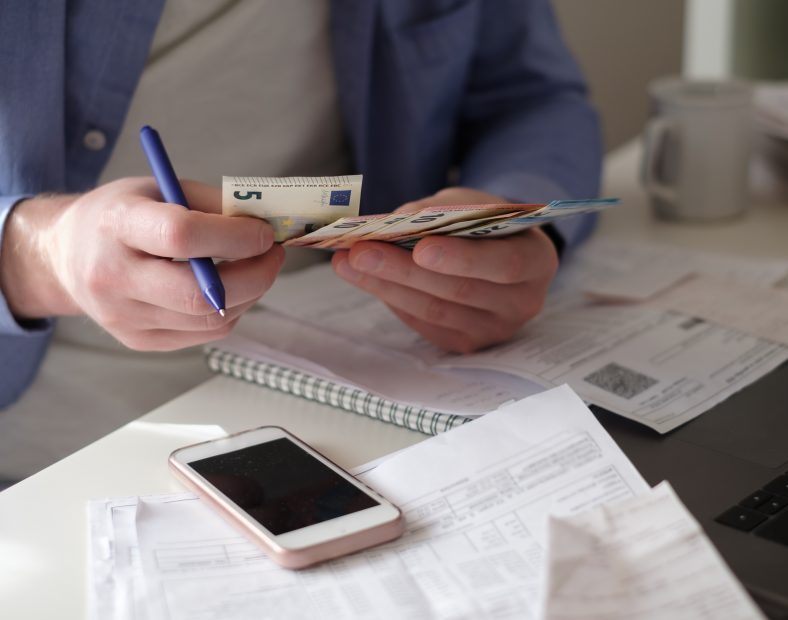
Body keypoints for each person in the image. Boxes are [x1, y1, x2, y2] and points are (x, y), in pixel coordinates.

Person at [0, 0, 601, 471]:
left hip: (384, 395)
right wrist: (40, 255)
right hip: (51, 452)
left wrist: (515, 218)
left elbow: (531, 98)